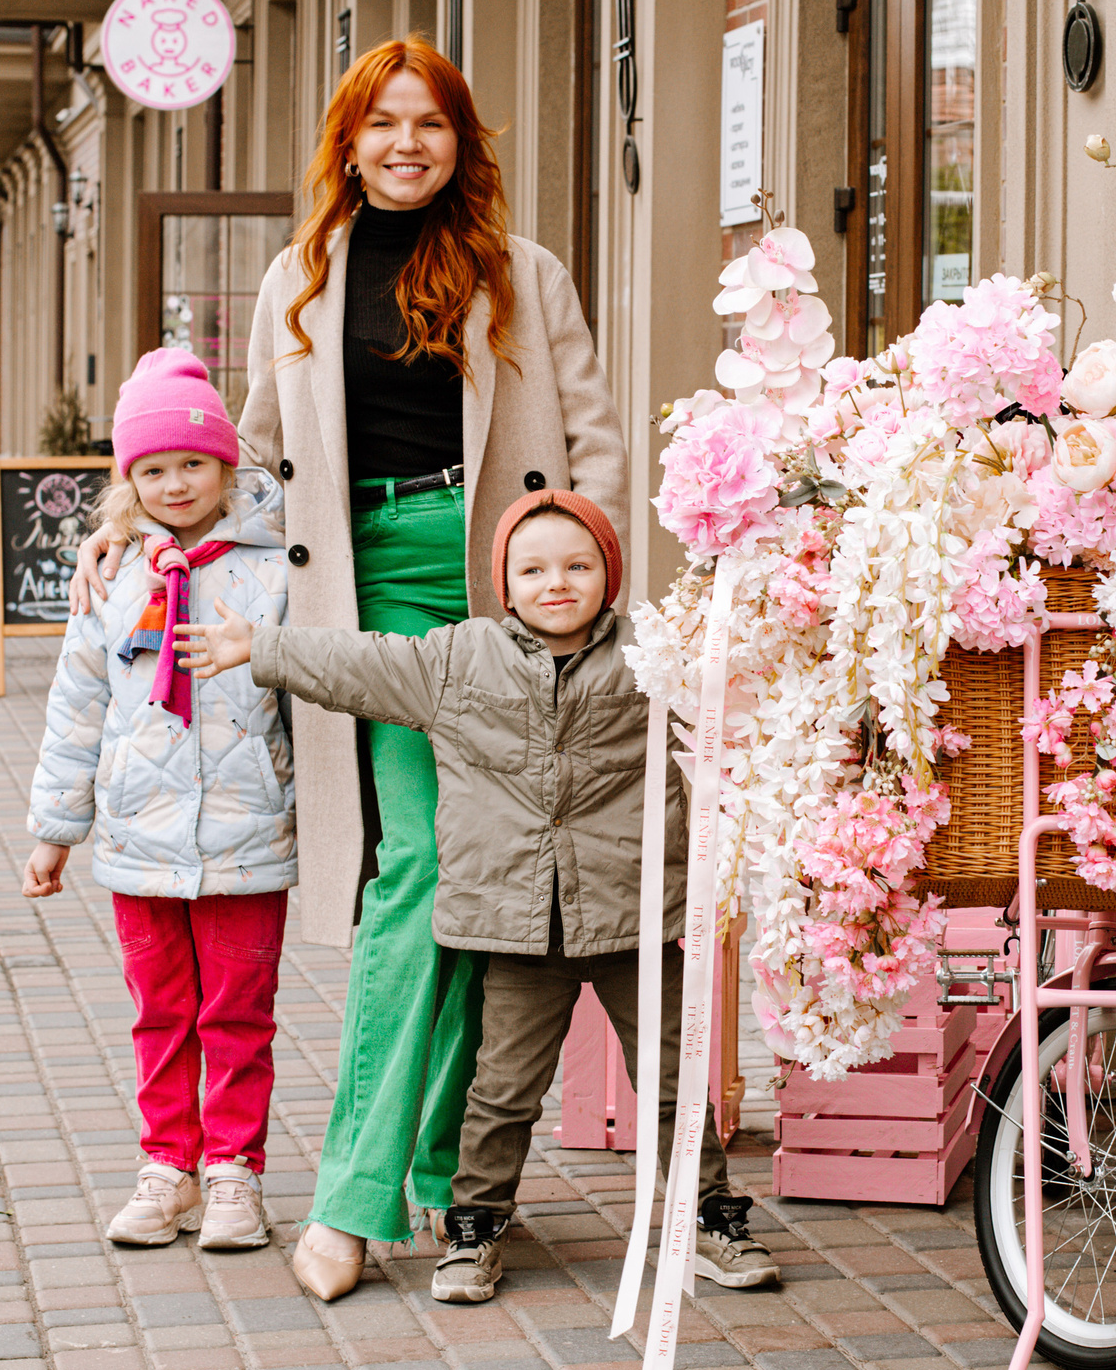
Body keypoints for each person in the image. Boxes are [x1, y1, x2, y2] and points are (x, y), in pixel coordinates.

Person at [71, 36, 627, 1301]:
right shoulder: (300, 280)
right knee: (421, 865)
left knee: (481, 894)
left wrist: (576, 594)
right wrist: (134, 515)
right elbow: (251, 460)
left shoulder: (522, 276)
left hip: (500, 597)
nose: (405, 145)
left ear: (461, 139)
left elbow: (591, 449)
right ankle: (357, 1192)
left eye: (429, 122)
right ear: (347, 141)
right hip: (360, 605)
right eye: (381, 124)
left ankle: (435, 1170)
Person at [177, 491, 779, 1304]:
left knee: (675, 1077)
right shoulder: (458, 658)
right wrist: (263, 647)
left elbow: (738, 684)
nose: (555, 583)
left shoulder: (652, 659)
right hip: (519, 928)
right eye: (532, 568)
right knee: (499, 1093)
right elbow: (360, 662)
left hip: (635, 921)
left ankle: (709, 1218)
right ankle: (475, 1228)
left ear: (611, 576)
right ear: (503, 583)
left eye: (578, 565)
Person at [23, 348, 299, 1253]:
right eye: (152, 469)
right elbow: (77, 703)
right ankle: (167, 1167)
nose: (175, 483)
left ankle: (233, 1174)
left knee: (238, 1011)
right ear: (128, 479)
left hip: (246, 834)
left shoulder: (280, 565)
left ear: (227, 462)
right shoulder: (114, 574)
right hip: (139, 841)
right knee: (161, 1011)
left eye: (192, 463)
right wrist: (56, 831)